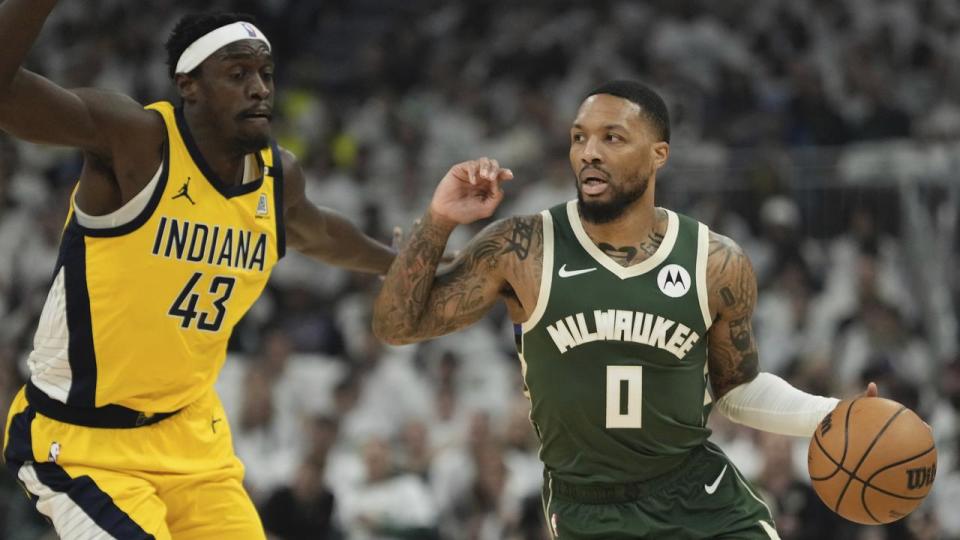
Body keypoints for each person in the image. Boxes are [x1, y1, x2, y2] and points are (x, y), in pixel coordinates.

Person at [373, 80, 877, 539]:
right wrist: (439, 219)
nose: (589, 152)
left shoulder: (716, 261)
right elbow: (395, 327)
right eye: (578, 138)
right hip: (589, 508)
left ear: (659, 155)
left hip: (699, 496)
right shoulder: (523, 248)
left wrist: (831, 413)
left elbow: (737, 389)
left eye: (611, 138)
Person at [0, 3, 395, 539]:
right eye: (237, 75)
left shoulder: (276, 178)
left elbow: (323, 233)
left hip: (191, 437)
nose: (260, 88)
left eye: (265, 73)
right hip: (82, 442)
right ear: (190, 85)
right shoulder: (136, 142)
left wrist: (401, 264)